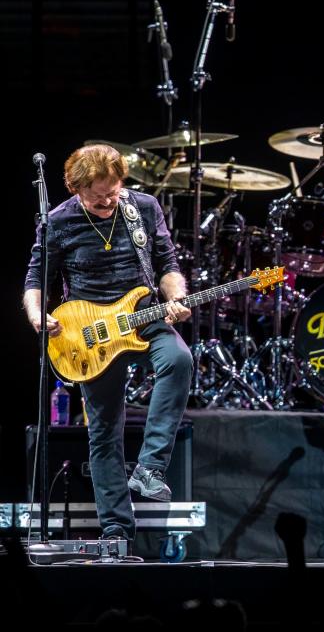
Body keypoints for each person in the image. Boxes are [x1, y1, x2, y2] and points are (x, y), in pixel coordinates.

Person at [23, 144, 193, 542]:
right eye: (97, 196)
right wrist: (36, 315)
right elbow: (35, 279)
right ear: (75, 187)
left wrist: (175, 296)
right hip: (89, 333)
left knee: (179, 360)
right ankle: (117, 529)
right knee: (103, 432)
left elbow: (167, 264)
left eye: (114, 192)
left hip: (143, 315)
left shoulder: (145, 208)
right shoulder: (58, 221)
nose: (107, 202)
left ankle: (150, 467)